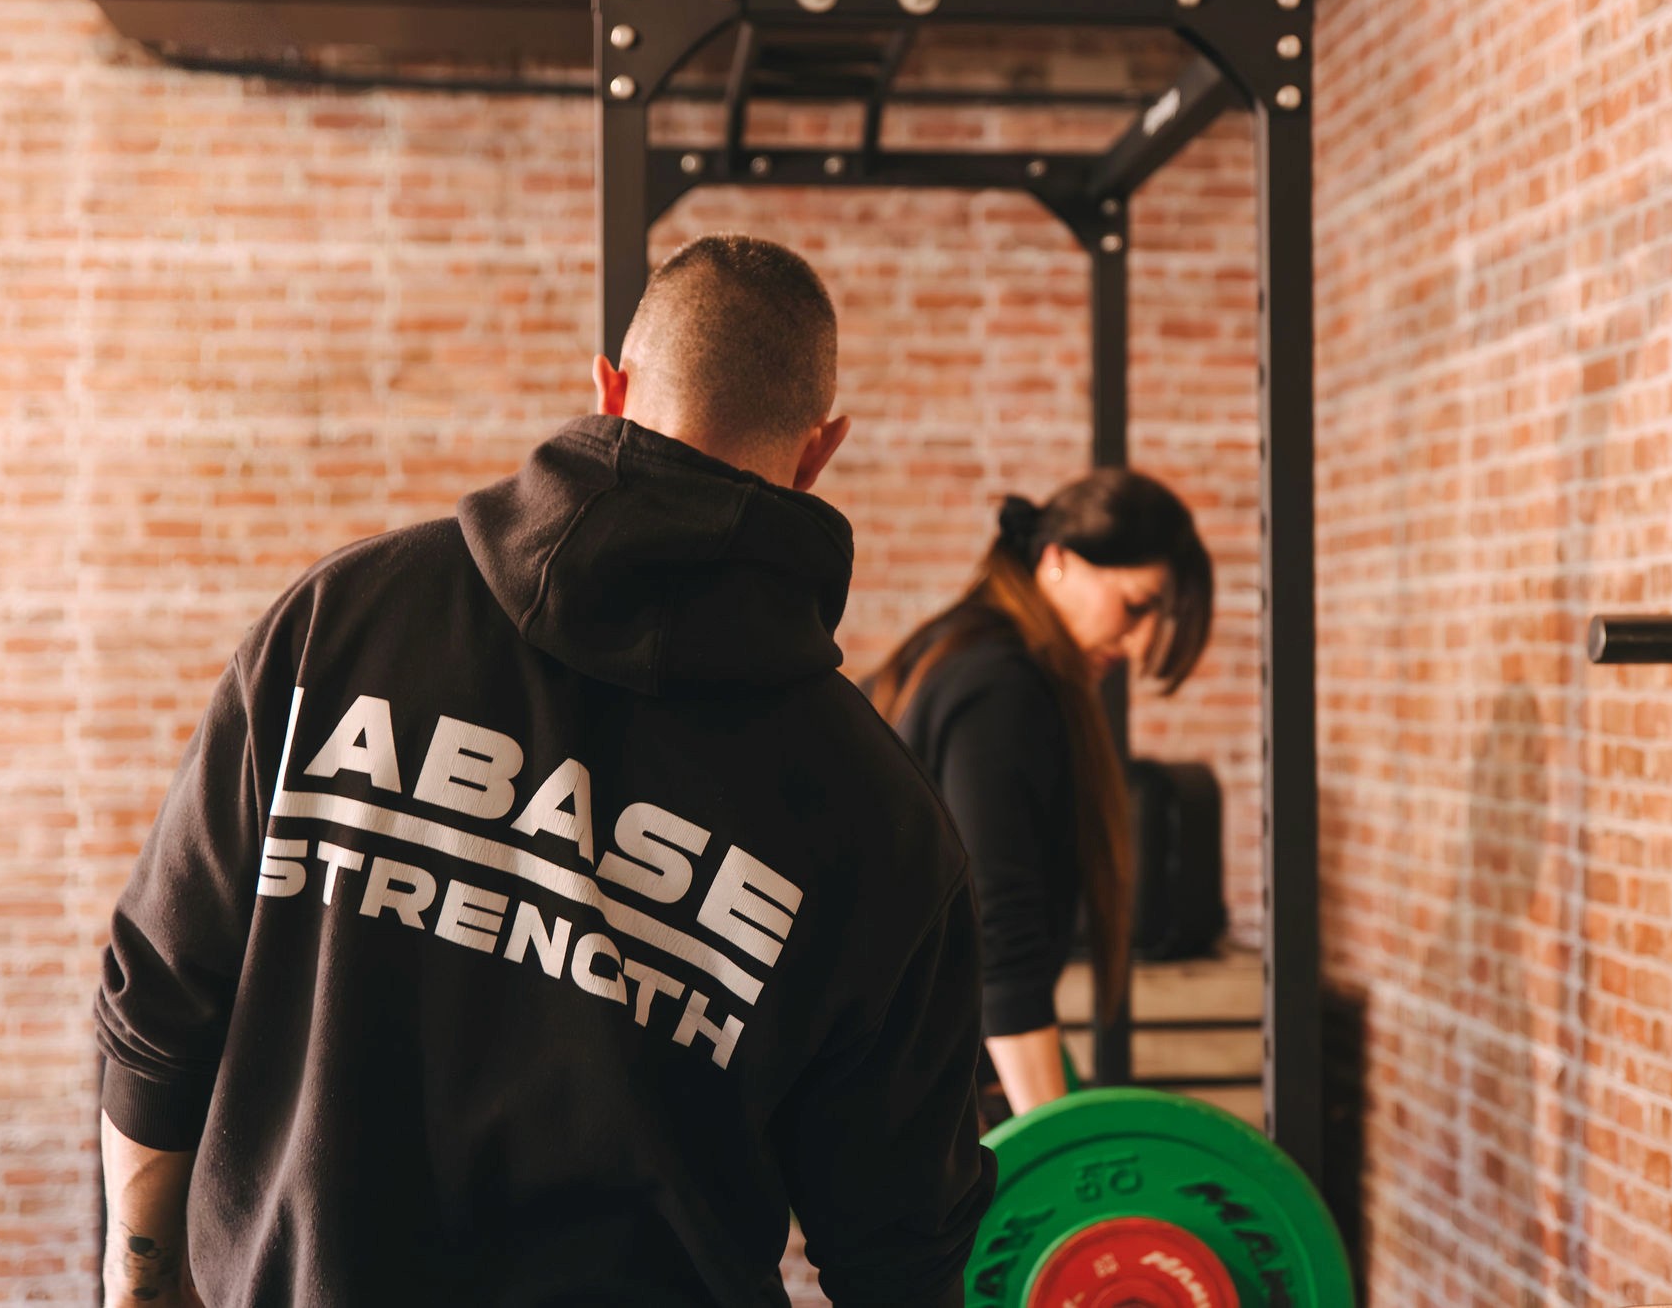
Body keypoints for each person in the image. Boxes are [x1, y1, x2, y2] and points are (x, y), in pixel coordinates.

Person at [94, 235, 996, 1308]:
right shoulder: (882, 821)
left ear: (610, 389)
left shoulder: (341, 623)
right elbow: (899, 1252)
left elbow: (159, 1014)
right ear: (819, 450)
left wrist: (137, 1285)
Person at [865, 470, 1213, 1125]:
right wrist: (1055, 1139)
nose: (1138, 644)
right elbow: (998, 923)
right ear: (1056, 559)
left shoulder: (963, 646)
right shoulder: (1003, 684)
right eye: (1135, 605)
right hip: (908, 1091)